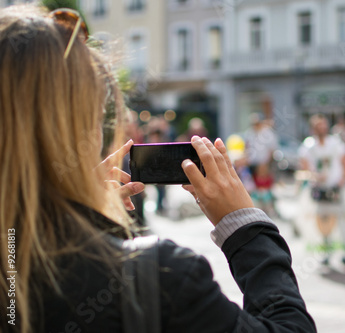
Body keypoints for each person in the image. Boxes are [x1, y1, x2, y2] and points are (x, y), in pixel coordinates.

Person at [0, 6, 316, 333]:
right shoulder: (161, 277)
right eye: (97, 115)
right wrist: (244, 226)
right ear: (76, 131)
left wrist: (88, 217)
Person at [299, 114, 345, 268]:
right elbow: (305, 166)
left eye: (323, 126)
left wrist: (342, 180)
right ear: (313, 128)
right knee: (322, 222)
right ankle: (326, 253)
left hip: (336, 187)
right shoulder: (308, 146)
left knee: (342, 219)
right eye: (318, 126)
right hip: (319, 188)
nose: (321, 129)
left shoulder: (335, 143)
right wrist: (314, 176)